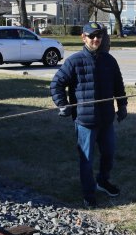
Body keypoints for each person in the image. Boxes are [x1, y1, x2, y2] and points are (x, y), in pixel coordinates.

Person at [50, 22, 127, 208]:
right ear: (83, 37)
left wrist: (122, 105)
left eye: (98, 36)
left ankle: (102, 181)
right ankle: (88, 192)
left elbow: (118, 84)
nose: (95, 39)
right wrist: (63, 104)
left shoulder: (109, 61)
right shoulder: (74, 61)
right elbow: (56, 84)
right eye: (91, 36)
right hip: (85, 120)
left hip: (106, 119)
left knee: (108, 154)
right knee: (86, 159)